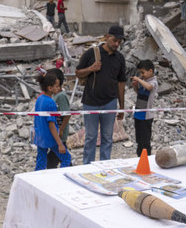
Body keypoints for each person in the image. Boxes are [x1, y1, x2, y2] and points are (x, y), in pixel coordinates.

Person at [75, 25, 127, 164]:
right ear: (107, 36)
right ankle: (87, 167)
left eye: (119, 42)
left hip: (110, 102)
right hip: (90, 102)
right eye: (114, 40)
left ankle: (105, 166)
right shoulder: (92, 53)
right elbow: (78, 72)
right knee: (91, 137)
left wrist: (121, 106)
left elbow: (121, 83)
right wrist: (91, 69)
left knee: (107, 137)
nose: (116, 44)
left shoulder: (120, 58)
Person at [34, 71, 71, 170]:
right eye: (56, 86)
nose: (58, 88)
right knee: (67, 158)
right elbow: (51, 124)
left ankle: (36, 181)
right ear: (50, 88)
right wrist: (60, 143)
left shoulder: (39, 98)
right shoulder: (51, 103)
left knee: (41, 163)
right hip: (50, 138)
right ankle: (60, 179)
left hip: (40, 137)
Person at [45, 69, 71, 169]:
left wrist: (61, 129)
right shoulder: (55, 96)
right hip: (56, 132)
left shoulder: (61, 97)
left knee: (60, 156)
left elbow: (67, 114)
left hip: (59, 132)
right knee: (56, 156)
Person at [131, 60, 158, 156]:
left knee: (145, 141)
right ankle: (139, 159)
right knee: (139, 141)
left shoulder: (153, 82)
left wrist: (138, 80)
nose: (141, 75)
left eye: (143, 72)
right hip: (138, 114)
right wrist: (135, 87)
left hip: (146, 117)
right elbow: (140, 94)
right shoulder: (144, 81)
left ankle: (147, 160)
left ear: (150, 71)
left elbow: (149, 88)